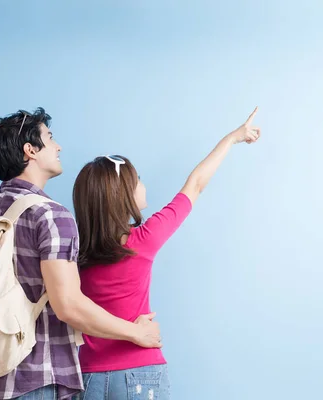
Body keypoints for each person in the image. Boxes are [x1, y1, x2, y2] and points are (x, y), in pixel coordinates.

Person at [0, 108, 162, 400]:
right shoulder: (51, 216)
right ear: (31, 150)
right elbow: (68, 306)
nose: (58, 147)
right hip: (34, 381)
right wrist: (136, 333)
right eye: (50, 138)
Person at [72, 107, 261, 399]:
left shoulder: (73, 251)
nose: (143, 185)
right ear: (124, 194)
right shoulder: (144, 239)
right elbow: (196, 184)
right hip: (139, 371)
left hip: (85, 378)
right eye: (139, 180)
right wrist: (233, 138)